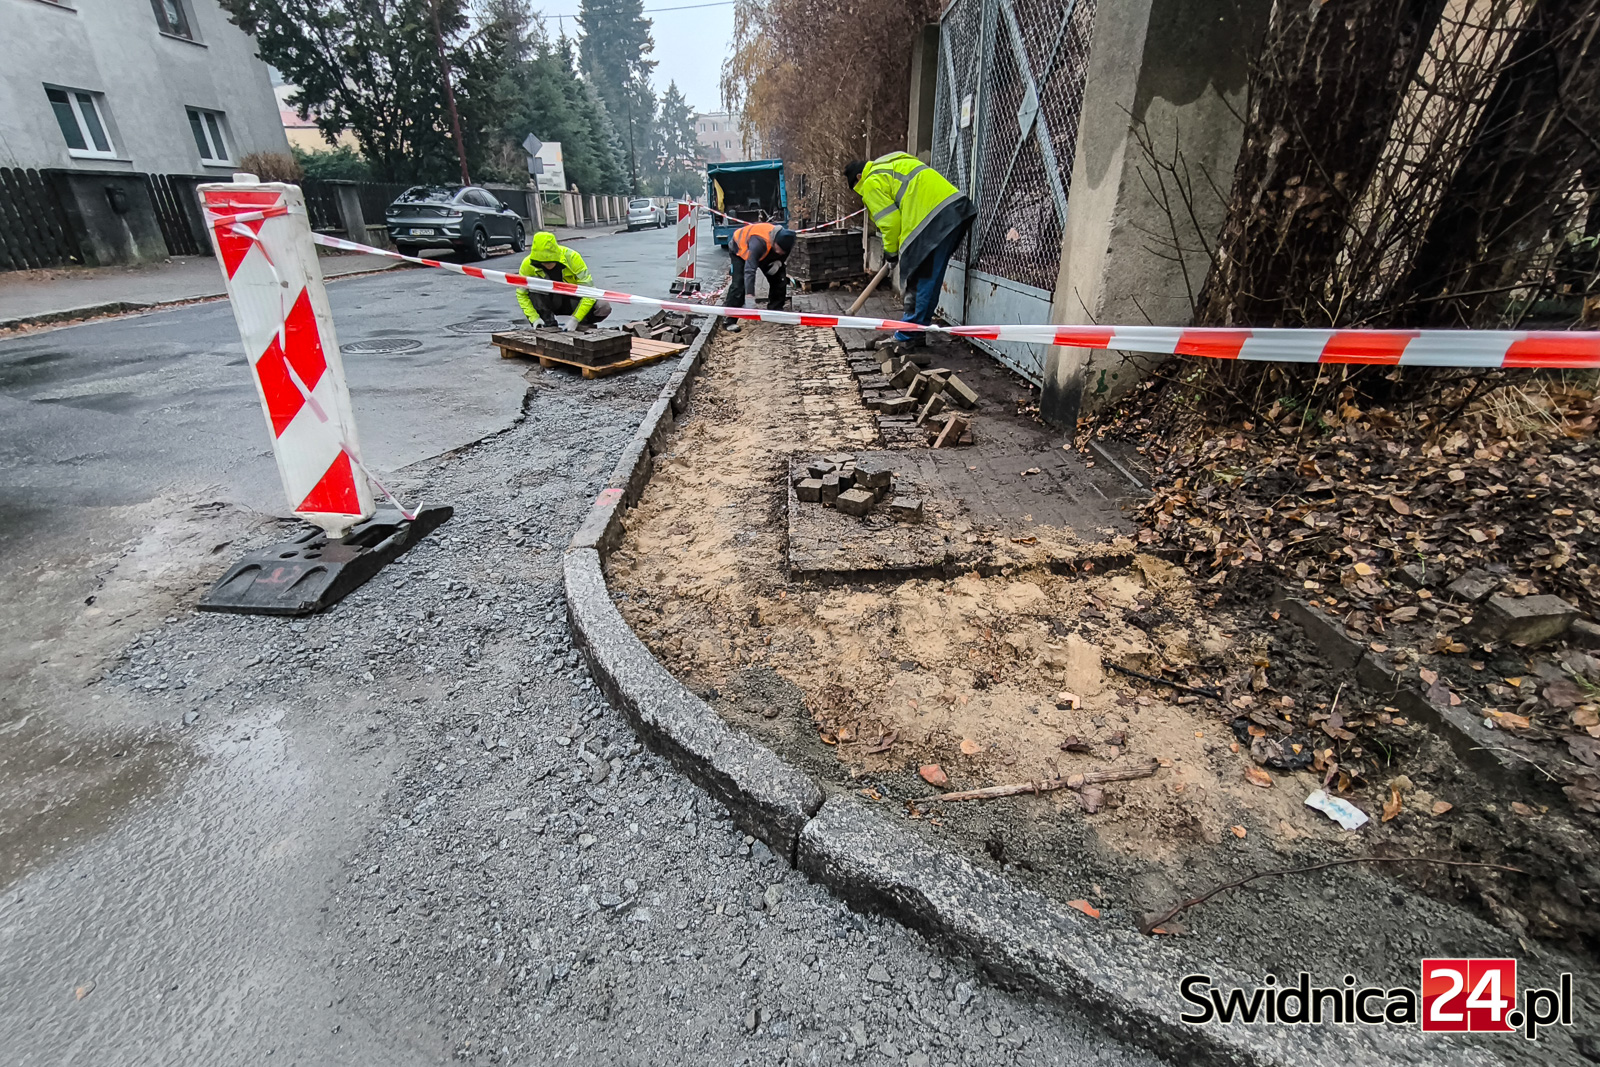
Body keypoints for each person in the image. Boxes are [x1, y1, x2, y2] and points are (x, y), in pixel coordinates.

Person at [843, 154, 976, 353]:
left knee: (918, 277)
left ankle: (907, 335)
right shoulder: (891, 162)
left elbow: (890, 223)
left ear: (859, 177)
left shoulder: (870, 182)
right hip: (953, 210)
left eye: (857, 191)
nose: (861, 195)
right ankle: (916, 331)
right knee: (929, 279)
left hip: (930, 219)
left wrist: (891, 253)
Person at [516, 231, 612, 329]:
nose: (548, 266)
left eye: (550, 262)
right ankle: (547, 324)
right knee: (533, 289)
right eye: (543, 263)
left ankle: (582, 324)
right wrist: (534, 318)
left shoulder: (573, 258)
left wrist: (576, 319)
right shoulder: (528, 265)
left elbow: (588, 291)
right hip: (549, 301)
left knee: (603, 307)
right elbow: (521, 294)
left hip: (572, 300)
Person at [722, 222, 796, 332]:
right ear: (775, 242)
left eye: (783, 251)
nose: (781, 252)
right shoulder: (758, 243)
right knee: (739, 284)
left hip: (766, 252)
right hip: (740, 250)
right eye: (779, 249)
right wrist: (750, 295)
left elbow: (784, 253)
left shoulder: (786, 241)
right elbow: (749, 270)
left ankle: (775, 310)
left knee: (779, 278)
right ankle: (730, 319)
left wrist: (779, 262)